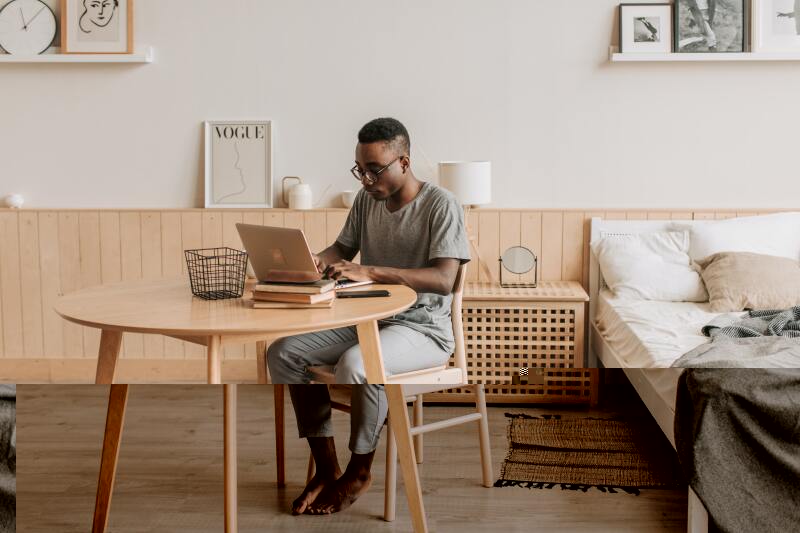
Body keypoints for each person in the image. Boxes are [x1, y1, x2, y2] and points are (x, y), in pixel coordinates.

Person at [267, 117, 470, 515]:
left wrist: (372, 270)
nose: (365, 179)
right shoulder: (366, 201)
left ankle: (360, 471)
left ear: (404, 163)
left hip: (423, 330)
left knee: (358, 362)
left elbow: (445, 280)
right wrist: (310, 262)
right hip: (370, 321)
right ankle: (328, 469)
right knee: (283, 352)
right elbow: (341, 249)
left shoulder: (441, 204)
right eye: (360, 169)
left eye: (374, 170)